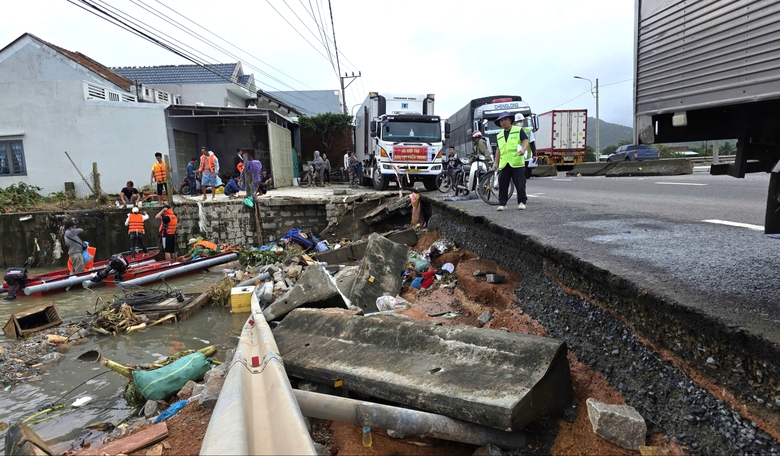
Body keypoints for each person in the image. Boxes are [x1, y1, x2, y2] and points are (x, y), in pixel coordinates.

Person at [492, 111, 529, 211]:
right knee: (503, 184)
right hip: (504, 163)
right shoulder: (499, 135)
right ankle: (502, 204)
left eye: (505, 120)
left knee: (520, 183)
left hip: (516, 161)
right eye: (501, 121)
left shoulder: (518, 130)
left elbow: (525, 141)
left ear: (510, 120)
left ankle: (522, 202)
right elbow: (498, 149)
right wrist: (496, 162)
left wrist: (523, 149)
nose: (503, 122)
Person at [514, 113, 536, 179]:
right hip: (516, 157)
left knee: (527, 176)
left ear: (523, 121)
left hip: (526, 157)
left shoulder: (528, 131)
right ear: (515, 122)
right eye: (518, 121)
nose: (519, 123)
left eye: (521, 121)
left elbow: (532, 143)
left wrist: (534, 154)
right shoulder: (512, 131)